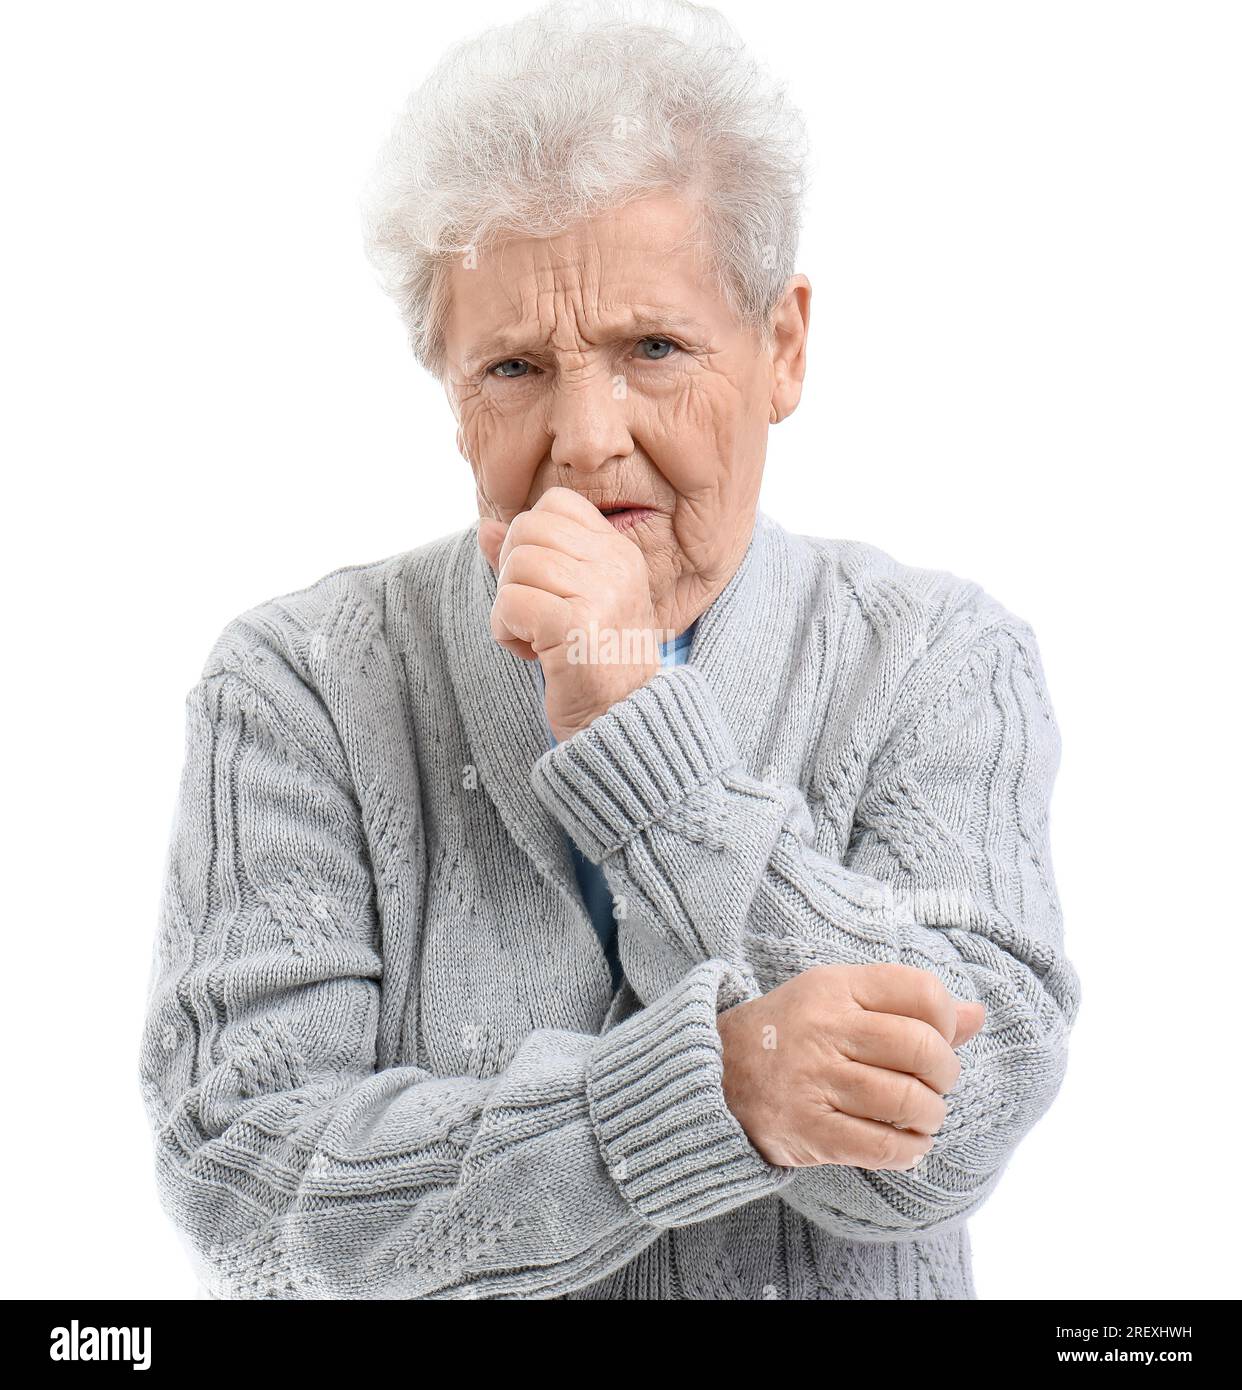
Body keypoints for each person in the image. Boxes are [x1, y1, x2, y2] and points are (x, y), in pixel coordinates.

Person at [139, 0, 1080, 1300]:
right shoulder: (300, 681)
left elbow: (947, 1122)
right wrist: (717, 1092)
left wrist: (636, 729)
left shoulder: (935, 657)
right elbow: (251, 1192)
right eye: (515, 365)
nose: (584, 434)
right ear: (448, 389)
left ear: (782, 346)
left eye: (652, 347)